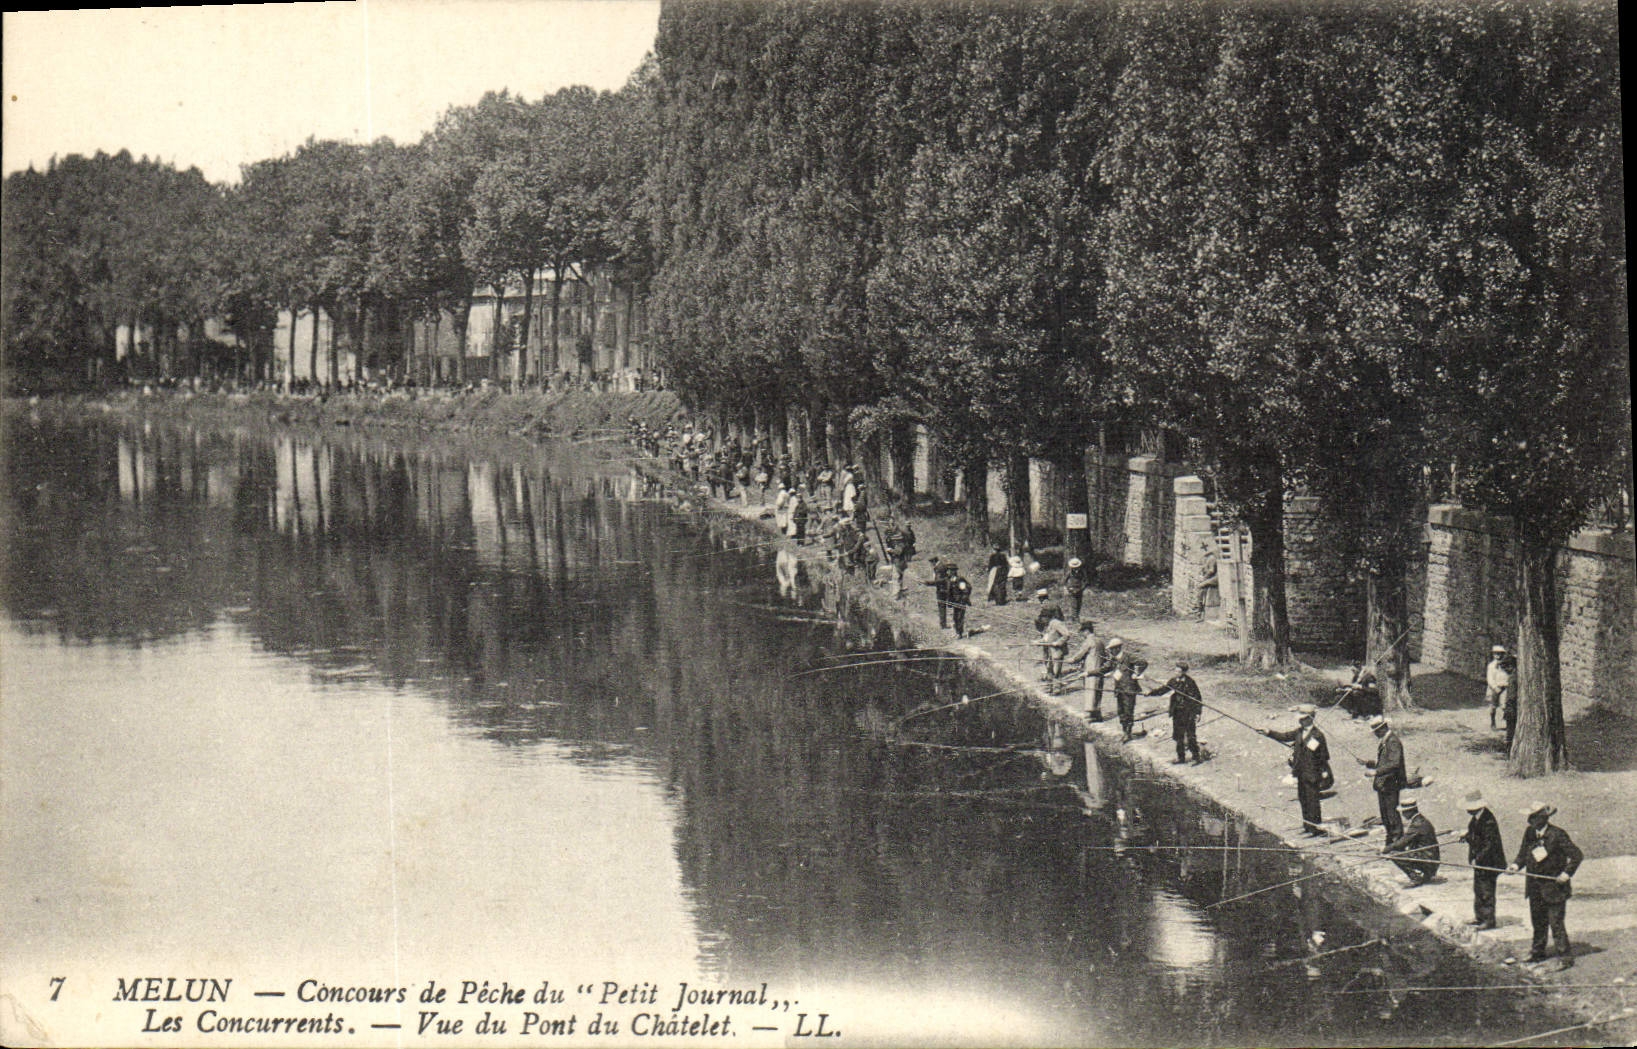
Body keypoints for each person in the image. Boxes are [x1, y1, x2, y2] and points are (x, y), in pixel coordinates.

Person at [1507, 802, 1583, 965]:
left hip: (1554, 888)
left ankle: (1565, 958)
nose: (1529, 820)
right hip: (1535, 887)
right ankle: (1537, 953)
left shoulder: (1558, 834)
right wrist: (1515, 865)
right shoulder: (1530, 833)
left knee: (1556, 924)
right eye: (1529, 817)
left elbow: (1577, 855)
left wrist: (1566, 874)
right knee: (1538, 922)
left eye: (1533, 817)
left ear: (1543, 818)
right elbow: (1523, 853)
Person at [1263, 705, 1331, 836]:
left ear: (1311, 719)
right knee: (1303, 799)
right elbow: (1284, 736)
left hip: (1312, 773)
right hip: (1301, 773)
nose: (1301, 721)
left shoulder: (1318, 735)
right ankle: (1307, 825)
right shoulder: (1299, 732)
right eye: (1300, 719)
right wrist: (1269, 732)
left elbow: (1324, 756)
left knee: (1313, 801)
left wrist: (1323, 772)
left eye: (1303, 719)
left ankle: (1315, 828)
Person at [1460, 791, 1505, 929]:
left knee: (1486, 891)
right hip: (1480, 862)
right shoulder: (1476, 819)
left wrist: (1477, 859)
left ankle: (1489, 920)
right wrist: (1466, 837)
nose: (1467, 810)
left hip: (1489, 862)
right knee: (1478, 889)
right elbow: (1475, 835)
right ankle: (1479, 917)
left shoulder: (1488, 821)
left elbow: (1489, 845)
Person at [1360, 715, 1407, 847]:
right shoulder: (1385, 741)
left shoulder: (1392, 741)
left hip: (1391, 783)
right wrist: (1369, 763)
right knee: (1385, 814)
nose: (1375, 734)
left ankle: (1397, 842)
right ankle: (1391, 839)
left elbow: (1394, 763)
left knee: (1392, 814)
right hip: (1384, 784)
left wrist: (1376, 772)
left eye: (1376, 731)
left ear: (1382, 728)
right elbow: (1384, 762)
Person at [1147, 662, 1204, 764]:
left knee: (1191, 736)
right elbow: (1163, 690)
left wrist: (1198, 713)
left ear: (1184, 672)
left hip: (1188, 712)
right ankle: (1181, 757)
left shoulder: (1190, 683)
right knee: (1178, 736)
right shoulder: (1173, 681)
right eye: (1175, 670)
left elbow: (1197, 698)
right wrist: (1151, 693)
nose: (1176, 673)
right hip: (1177, 712)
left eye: (1178, 671)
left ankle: (1196, 757)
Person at [1384, 793, 1441, 886]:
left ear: (1410, 811)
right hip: (1432, 859)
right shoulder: (1421, 820)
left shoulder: (1417, 824)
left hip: (1428, 861)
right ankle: (1426, 875)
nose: (1402, 814)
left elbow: (1402, 842)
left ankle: (1415, 878)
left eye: (1404, 812)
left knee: (1393, 855)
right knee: (1404, 852)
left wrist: (1386, 849)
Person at [1064, 619, 1103, 717]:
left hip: (1090, 669)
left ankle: (1090, 713)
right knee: (1098, 691)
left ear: (1087, 631)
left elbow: (1080, 654)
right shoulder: (1100, 641)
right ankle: (1097, 713)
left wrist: (1071, 660)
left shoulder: (1088, 641)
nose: (1082, 634)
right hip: (1100, 669)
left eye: (1083, 632)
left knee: (1090, 690)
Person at [1036, 614, 1076, 692]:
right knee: (1049, 669)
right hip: (1050, 651)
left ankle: (1056, 688)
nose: (1042, 620)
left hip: (1057, 651)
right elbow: (1046, 638)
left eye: (1043, 618)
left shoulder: (1056, 623)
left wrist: (1058, 642)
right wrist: (1039, 642)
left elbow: (1066, 634)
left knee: (1056, 671)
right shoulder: (1049, 625)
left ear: (1047, 617)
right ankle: (1049, 687)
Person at [1485, 645, 1511, 731]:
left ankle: (1509, 724)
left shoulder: (1506, 665)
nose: (1498, 656)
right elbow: (1490, 678)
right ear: (1493, 655)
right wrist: (1495, 687)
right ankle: (1493, 722)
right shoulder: (1491, 666)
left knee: (1505, 705)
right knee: (1493, 706)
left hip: (1504, 687)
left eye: (1500, 654)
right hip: (1494, 687)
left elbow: (1508, 675)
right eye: (1496, 654)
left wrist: (1507, 684)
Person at [924, 557, 954, 628]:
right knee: (946, 605)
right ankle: (945, 623)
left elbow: (939, 581)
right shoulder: (941, 566)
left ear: (934, 561)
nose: (931, 565)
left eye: (931, 563)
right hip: (945, 589)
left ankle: (943, 624)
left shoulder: (939, 568)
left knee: (942, 606)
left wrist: (928, 583)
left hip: (942, 590)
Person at [1063, 556, 1090, 623]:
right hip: (1072, 589)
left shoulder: (1082, 572)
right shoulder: (1069, 572)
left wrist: (1082, 588)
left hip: (1079, 589)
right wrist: (1068, 588)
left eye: (1076, 567)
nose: (1075, 568)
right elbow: (1064, 581)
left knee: (1079, 603)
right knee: (1073, 604)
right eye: (1073, 567)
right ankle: (1075, 618)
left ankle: (1076, 616)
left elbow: (1086, 581)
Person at [947, 568, 972, 638]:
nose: (947, 572)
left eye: (949, 571)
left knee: (959, 617)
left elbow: (966, 590)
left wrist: (964, 599)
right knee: (955, 617)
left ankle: (960, 633)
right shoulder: (951, 579)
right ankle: (957, 632)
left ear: (953, 571)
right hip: (955, 602)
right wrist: (950, 601)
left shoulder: (959, 579)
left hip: (961, 602)